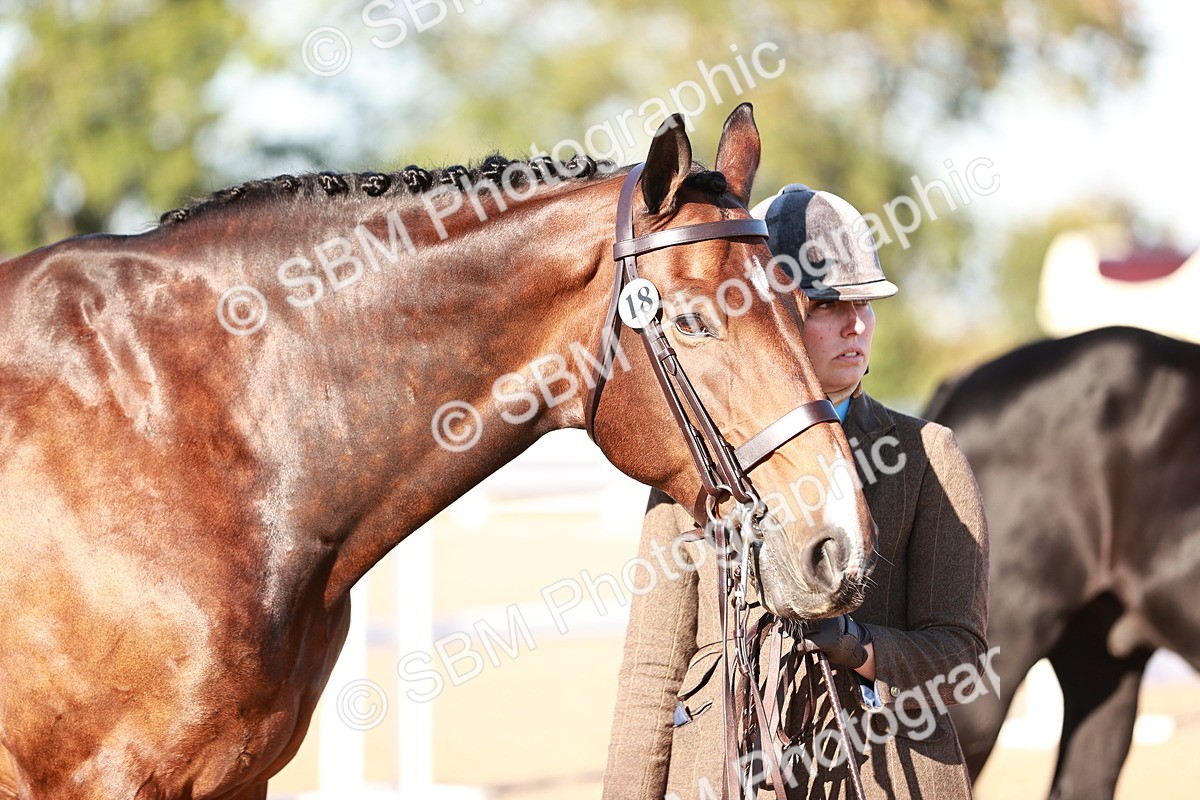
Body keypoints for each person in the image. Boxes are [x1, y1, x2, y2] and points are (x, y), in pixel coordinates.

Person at [601, 184, 990, 799]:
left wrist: (862, 650)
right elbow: (651, 676)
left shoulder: (927, 455)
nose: (856, 324)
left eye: (866, 304)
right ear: (775, 309)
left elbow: (962, 653)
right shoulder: (691, 463)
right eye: (829, 305)